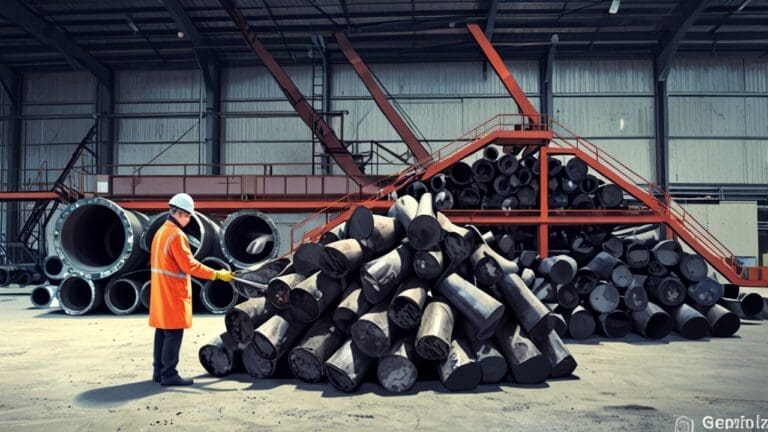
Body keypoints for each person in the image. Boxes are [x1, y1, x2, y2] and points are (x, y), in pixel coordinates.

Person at [149, 193, 233, 386]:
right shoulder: (176, 236)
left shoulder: (161, 232)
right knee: (173, 333)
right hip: (172, 291)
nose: (188, 220)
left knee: (162, 331)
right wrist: (217, 274)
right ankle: (169, 375)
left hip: (161, 291)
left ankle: (159, 372)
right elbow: (190, 266)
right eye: (188, 216)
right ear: (180, 213)